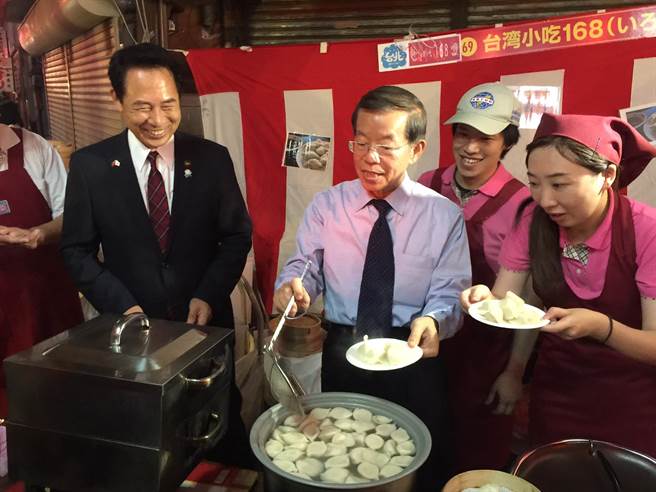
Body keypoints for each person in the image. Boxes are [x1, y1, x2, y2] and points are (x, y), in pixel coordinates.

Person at [60, 43, 253, 464]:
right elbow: (76, 250)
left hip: (203, 325)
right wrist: (122, 306)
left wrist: (208, 293)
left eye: (168, 105)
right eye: (142, 107)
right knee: (145, 434)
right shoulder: (92, 166)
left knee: (217, 423)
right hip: (133, 330)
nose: (158, 120)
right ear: (117, 100)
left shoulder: (211, 159)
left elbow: (237, 236)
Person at [273, 85, 471, 488]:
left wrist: (435, 320)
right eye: (360, 143)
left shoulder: (443, 215)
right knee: (342, 458)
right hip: (344, 348)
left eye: (385, 146)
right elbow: (305, 266)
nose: (370, 158)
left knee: (417, 464)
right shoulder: (328, 206)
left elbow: (450, 290)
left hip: (412, 352)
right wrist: (291, 285)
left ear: (417, 149)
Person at [461, 113, 656, 458]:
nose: (544, 199)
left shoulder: (646, 231)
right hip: (557, 390)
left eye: (559, 184)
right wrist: (483, 300)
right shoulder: (532, 223)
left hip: (634, 400)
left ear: (607, 176)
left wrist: (601, 327)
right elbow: (507, 301)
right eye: (534, 183)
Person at [418, 82, 534, 472]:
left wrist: (514, 372)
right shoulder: (427, 186)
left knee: (475, 459)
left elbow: (528, 301)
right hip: (425, 342)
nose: (470, 147)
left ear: (507, 142)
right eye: (463, 134)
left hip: (486, 356)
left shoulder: (524, 203)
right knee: (421, 445)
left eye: (485, 137)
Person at [0, 123, 83, 416]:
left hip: (44, 300)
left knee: (59, 393)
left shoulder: (35, 149)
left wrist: (38, 234)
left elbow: (70, 214)